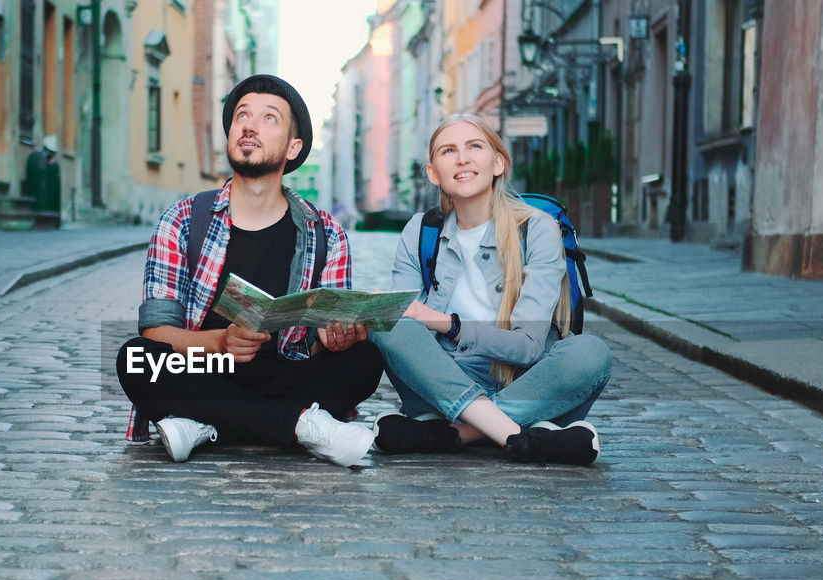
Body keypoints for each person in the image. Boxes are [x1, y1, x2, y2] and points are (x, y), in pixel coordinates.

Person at [116, 74, 382, 467]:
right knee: (134, 357)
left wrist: (337, 337)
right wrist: (220, 343)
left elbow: (319, 341)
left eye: (269, 118)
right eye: (242, 115)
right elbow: (156, 331)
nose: (250, 126)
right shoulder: (184, 219)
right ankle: (304, 427)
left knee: (364, 361)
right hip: (205, 367)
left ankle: (207, 423)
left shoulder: (326, 232)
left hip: (286, 373)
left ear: (294, 148)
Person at [368, 113, 612, 465]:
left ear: (498, 162)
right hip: (442, 381)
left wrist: (445, 323)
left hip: (524, 381)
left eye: (475, 147)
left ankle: (455, 434)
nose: (463, 158)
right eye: (448, 150)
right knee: (387, 322)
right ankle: (525, 437)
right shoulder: (421, 231)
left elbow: (529, 347)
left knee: (590, 352)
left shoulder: (537, 229)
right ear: (434, 171)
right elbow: (407, 326)